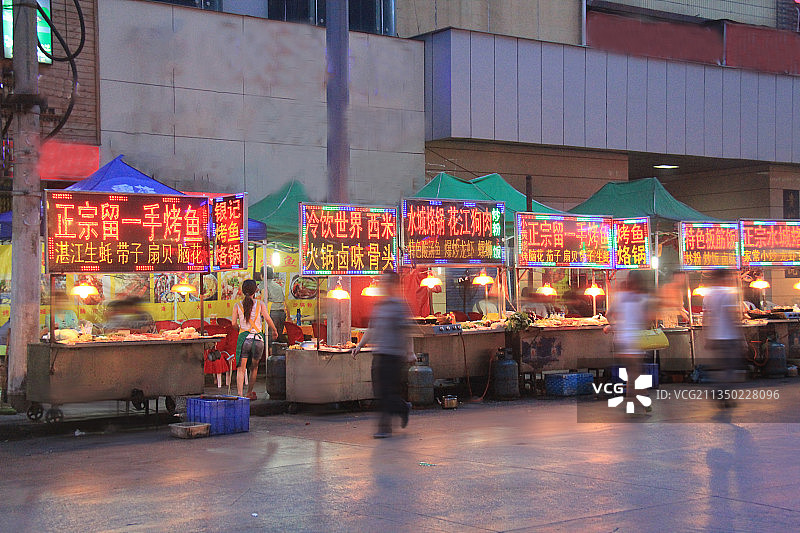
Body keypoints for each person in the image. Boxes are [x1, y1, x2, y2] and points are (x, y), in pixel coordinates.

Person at [352, 271, 413, 438]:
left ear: (394, 285)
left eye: (386, 282)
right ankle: (403, 408)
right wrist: (359, 345)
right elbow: (371, 329)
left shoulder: (399, 305)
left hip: (394, 355)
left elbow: (406, 330)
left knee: (387, 391)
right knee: (380, 391)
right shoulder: (378, 305)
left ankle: (384, 427)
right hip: (379, 354)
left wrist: (410, 352)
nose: (383, 284)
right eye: (382, 281)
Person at [605, 270, 655, 413]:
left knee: (632, 372)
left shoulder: (621, 297)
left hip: (622, 340)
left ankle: (638, 400)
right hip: (636, 341)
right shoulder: (644, 298)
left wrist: (614, 326)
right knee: (634, 372)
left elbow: (609, 314)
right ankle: (640, 400)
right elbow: (648, 319)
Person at [702, 269, 745, 407]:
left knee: (721, 368)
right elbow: (732, 315)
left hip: (715, 337)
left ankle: (723, 395)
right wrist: (740, 335)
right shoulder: (728, 293)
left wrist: (707, 335)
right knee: (730, 368)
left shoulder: (708, 294)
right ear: (723, 278)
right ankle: (720, 392)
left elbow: (706, 317)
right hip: (728, 337)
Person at [232, 279, 278, 399]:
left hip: (244, 338)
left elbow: (233, 324)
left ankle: (240, 395)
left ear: (242, 291)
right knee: (254, 368)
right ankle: (249, 393)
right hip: (258, 340)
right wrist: (275, 330)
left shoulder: (237, 305)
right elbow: (267, 319)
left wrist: (240, 330)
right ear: (255, 291)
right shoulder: (260, 304)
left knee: (241, 369)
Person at [266, 267, 286, 345]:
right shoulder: (278, 286)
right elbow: (284, 300)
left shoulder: (264, 284)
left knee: (271, 338)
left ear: (262, 275)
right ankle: (277, 355)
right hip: (281, 312)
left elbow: (264, 299)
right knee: (278, 336)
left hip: (273, 312)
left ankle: (271, 356)